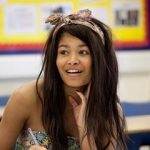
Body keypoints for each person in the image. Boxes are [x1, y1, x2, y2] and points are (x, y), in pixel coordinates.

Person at [0, 9, 127, 149]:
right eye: (64, 52)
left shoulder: (109, 110)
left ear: (99, 59)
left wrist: (85, 129)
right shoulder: (25, 98)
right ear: (54, 58)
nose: (72, 60)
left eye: (83, 52)